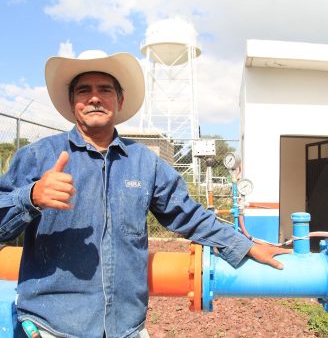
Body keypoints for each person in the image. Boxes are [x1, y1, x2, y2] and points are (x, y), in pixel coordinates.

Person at [0, 50, 289, 338]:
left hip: (125, 327)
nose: (95, 97)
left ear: (120, 100)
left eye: (105, 90)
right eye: (84, 90)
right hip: (50, 327)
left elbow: (187, 214)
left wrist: (243, 244)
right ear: (72, 101)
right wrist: (31, 197)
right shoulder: (39, 156)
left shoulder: (144, 163)